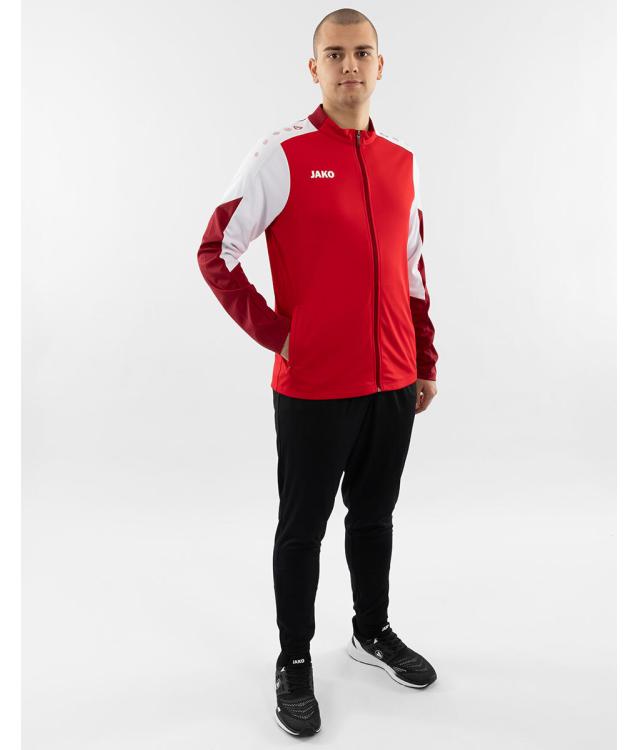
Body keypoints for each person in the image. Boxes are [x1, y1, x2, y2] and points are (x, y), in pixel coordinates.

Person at [197, 7, 439, 737]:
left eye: (362, 52)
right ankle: (295, 658)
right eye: (334, 54)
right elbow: (216, 252)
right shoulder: (282, 153)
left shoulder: (401, 161)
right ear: (314, 68)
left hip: (392, 381)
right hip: (313, 386)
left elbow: (413, 270)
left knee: (375, 516)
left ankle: (371, 631)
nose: (349, 65)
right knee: (302, 528)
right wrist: (280, 334)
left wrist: (423, 358)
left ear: (381, 66)